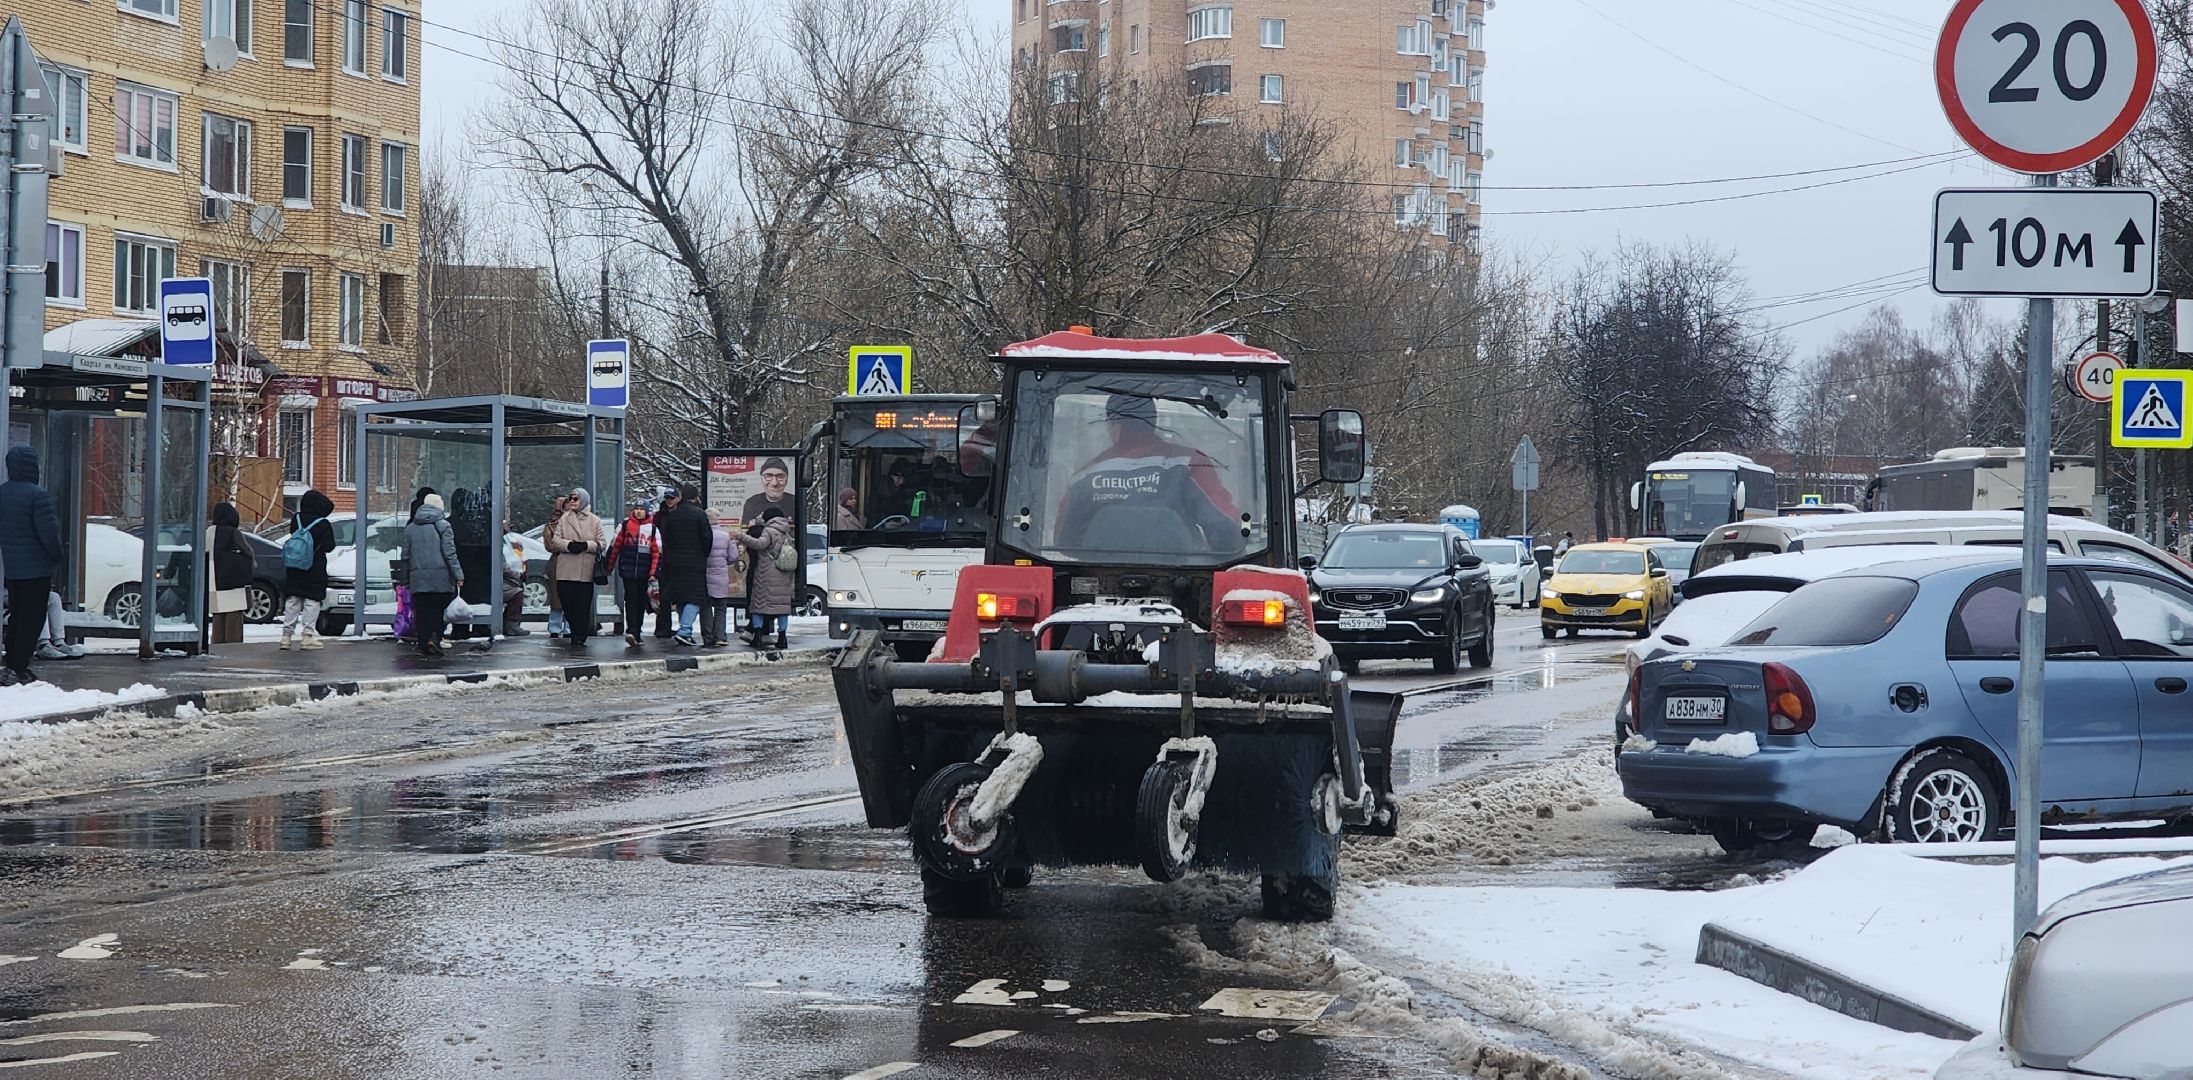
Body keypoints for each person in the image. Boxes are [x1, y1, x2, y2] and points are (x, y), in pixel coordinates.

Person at [1052, 393, 1241, 556]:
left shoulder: (1085, 475)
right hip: (1181, 577)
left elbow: (1064, 541)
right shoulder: (1189, 463)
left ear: (1113, 424)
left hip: (1096, 578)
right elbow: (1225, 527)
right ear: (1153, 421)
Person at [0, 444, 64, 685]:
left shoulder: (3, 493)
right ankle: (20, 667)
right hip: (37, 570)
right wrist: (56, 556)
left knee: (17, 617)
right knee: (32, 619)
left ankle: (11, 663)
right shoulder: (37, 496)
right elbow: (48, 534)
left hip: (13, 570)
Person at [402, 492, 463, 658]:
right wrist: (459, 575)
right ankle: (435, 637)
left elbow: (405, 556)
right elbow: (449, 553)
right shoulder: (443, 525)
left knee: (422, 610)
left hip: (418, 578)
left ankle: (423, 643)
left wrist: (406, 579)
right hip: (440, 576)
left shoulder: (411, 528)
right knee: (438, 609)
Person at [655, 482, 713, 647]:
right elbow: (707, 538)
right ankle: (685, 630)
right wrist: (702, 555)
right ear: (695, 497)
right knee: (695, 597)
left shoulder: (673, 516)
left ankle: (684, 631)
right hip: (695, 562)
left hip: (674, 562)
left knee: (681, 597)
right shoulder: (699, 514)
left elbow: (667, 539)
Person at [546, 487, 606, 646]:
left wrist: (586, 545)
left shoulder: (594, 520)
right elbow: (556, 541)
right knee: (566, 602)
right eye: (570, 498)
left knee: (582, 605)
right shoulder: (564, 519)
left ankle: (579, 635)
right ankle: (575, 630)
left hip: (585, 570)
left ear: (584, 500)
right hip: (566, 569)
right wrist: (569, 545)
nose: (572, 502)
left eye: (575, 499)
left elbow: (602, 543)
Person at [280, 489, 337, 651]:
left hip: (294, 566)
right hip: (314, 567)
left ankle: (286, 637)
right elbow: (329, 546)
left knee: (293, 600)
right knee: (312, 601)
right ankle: (307, 636)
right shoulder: (323, 524)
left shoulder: (296, 519)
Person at [737, 507, 797, 650]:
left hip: (766, 573)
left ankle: (757, 637)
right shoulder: (787, 531)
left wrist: (742, 537)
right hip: (783, 574)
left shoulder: (769, 530)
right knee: (782, 607)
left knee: (759, 606)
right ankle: (782, 638)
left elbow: (760, 544)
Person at [607, 498, 659, 648]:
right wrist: (609, 566)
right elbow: (615, 547)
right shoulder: (625, 526)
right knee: (630, 600)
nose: (638, 512)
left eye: (641, 509)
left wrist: (653, 573)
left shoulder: (652, 529)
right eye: (636, 509)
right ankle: (632, 630)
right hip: (628, 570)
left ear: (647, 511)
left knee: (640, 601)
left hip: (644, 572)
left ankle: (637, 631)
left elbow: (656, 552)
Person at [449, 487, 495, 641]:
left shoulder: (453, 521)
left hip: (463, 564)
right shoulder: (485, 518)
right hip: (482, 563)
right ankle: (480, 627)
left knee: (463, 596)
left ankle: (460, 628)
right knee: (480, 596)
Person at [206, 502, 255, 647]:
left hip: (214, 582)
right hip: (234, 583)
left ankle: (217, 647)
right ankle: (232, 649)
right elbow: (248, 552)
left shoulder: (209, 532)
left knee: (218, 619)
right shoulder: (234, 532)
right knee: (234, 620)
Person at [703, 509, 744, 647]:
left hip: (704, 575)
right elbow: (733, 557)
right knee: (720, 607)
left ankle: (708, 637)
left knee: (706, 607)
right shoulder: (725, 536)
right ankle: (720, 636)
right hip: (720, 575)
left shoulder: (702, 534)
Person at [649, 487, 680, 639]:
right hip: (662, 557)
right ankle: (663, 627)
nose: (669, 501)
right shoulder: (658, 516)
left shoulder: (680, 514)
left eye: (671, 498)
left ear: (678, 498)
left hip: (677, 557)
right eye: (667, 498)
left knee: (675, 594)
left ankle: (675, 627)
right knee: (663, 594)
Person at [542, 493, 571, 638]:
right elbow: (550, 545)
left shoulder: (576, 523)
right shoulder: (551, 525)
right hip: (557, 562)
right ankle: (555, 628)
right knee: (556, 597)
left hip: (572, 561)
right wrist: (568, 545)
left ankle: (569, 628)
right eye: (566, 506)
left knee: (571, 596)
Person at [740, 457, 793, 525]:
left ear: (787, 479)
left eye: (780, 476)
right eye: (768, 476)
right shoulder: (752, 503)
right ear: (761, 479)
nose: (774, 483)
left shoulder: (794, 502)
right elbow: (744, 529)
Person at [500, 524, 530, 638]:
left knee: (517, 590)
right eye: (505, 523)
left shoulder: (506, 539)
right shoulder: (497, 542)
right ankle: (511, 626)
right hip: (500, 581)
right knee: (517, 594)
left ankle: (509, 624)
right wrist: (518, 576)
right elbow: (503, 569)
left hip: (506, 579)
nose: (510, 525)